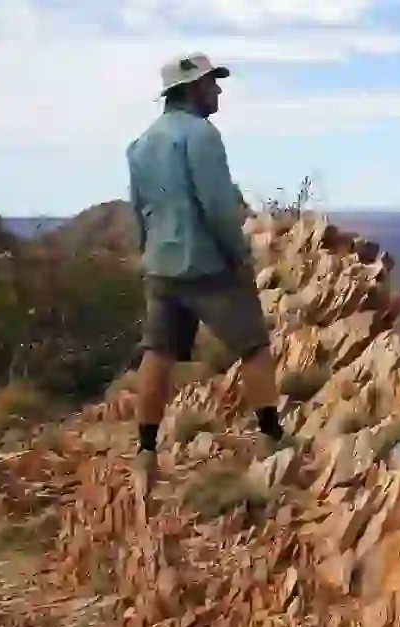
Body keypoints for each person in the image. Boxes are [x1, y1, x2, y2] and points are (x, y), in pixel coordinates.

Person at [125, 52, 288, 497]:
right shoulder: (201, 136)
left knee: (157, 353)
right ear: (191, 89)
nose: (217, 90)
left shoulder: (139, 145)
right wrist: (239, 254)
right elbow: (216, 206)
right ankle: (271, 437)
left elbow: (139, 210)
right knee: (253, 345)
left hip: (161, 265)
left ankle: (145, 450)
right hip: (207, 265)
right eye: (211, 84)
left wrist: (149, 252)